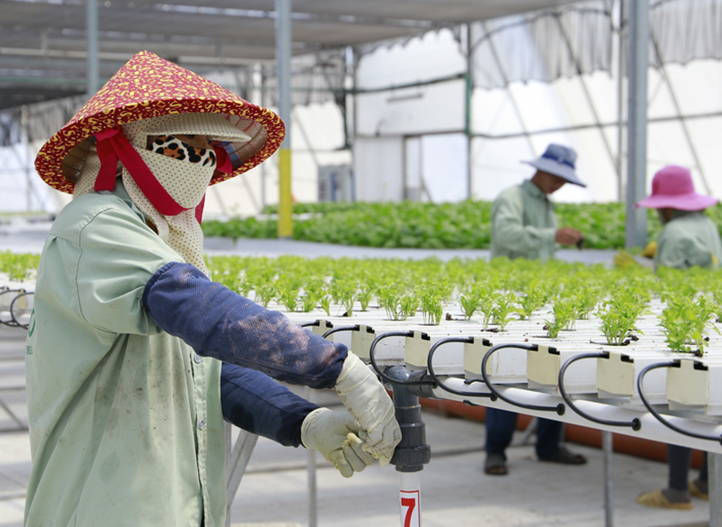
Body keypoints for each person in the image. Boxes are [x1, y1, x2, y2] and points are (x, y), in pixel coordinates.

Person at [24, 51, 401, 527]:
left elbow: (204, 374)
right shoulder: (94, 226)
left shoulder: (157, 237)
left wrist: (303, 420)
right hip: (104, 505)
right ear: (132, 145)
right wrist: (339, 368)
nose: (203, 159)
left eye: (211, 148)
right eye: (190, 143)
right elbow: (202, 313)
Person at [485, 143, 587, 475]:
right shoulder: (512, 197)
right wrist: (552, 235)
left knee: (551, 369)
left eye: (564, 180)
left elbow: (544, 250)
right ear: (540, 169)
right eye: (556, 176)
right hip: (512, 298)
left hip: (542, 296)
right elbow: (507, 234)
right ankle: (496, 450)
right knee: (505, 370)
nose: (559, 184)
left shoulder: (546, 203)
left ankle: (549, 445)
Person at [634, 165, 721, 510]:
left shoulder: (672, 232)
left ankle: (676, 491)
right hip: (711, 320)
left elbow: (668, 288)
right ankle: (706, 482)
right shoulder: (708, 225)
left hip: (683, 326)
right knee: (708, 403)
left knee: (679, 403)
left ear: (667, 206)